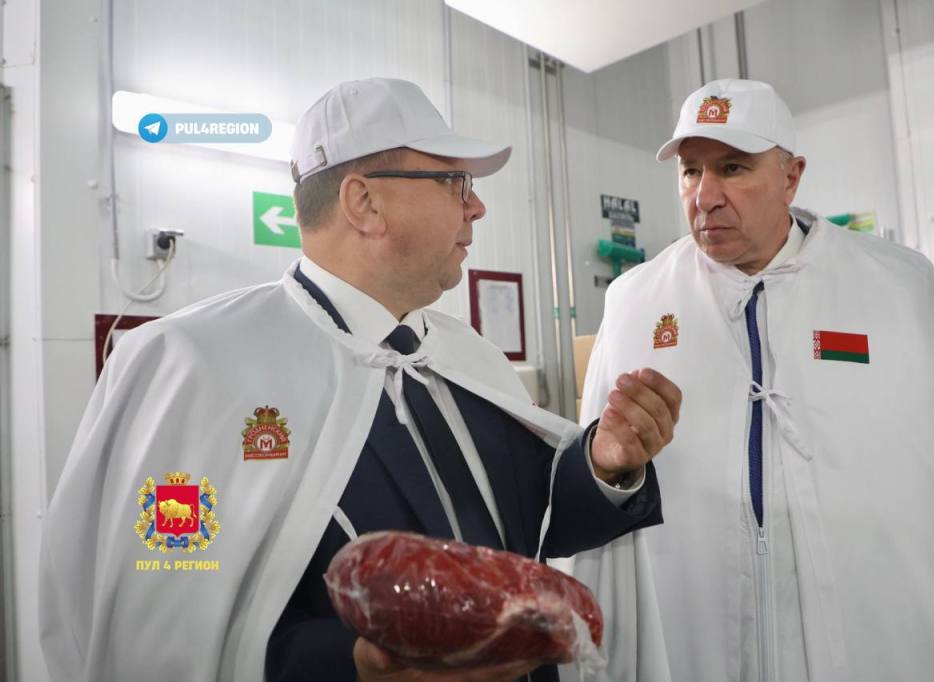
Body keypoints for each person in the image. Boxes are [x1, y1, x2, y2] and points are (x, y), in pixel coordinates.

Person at [38, 78, 682, 682]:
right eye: (454, 182)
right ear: (364, 202)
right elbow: (156, 625)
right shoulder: (196, 369)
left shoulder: (469, 359)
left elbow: (527, 524)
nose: (478, 206)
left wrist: (604, 464)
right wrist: (353, 665)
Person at [564, 78, 934, 682]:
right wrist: (608, 466)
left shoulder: (901, 291)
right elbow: (595, 482)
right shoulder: (636, 302)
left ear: (791, 176)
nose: (706, 196)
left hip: (867, 640)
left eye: (733, 168)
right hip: (694, 632)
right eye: (691, 171)